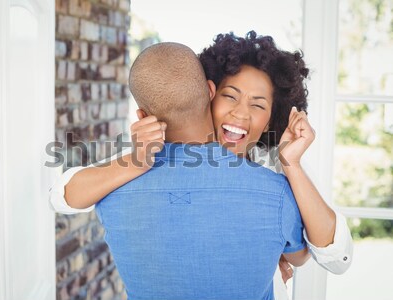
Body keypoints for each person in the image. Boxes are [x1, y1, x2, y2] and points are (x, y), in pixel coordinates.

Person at [50, 32, 353, 298]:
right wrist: (133, 163)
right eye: (230, 96)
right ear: (210, 94)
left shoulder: (280, 174)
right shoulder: (134, 163)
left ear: (275, 115)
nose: (240, 114)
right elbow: (62, 195)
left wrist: (292, 167)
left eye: (258, 104)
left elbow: (335, 257)